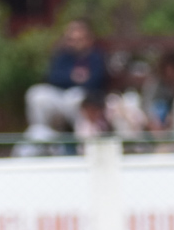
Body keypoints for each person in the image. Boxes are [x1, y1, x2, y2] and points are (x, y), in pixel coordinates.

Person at [21, 19, 108, 148]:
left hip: (80, 98)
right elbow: (52, 77)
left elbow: (95, 81)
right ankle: (42, 138)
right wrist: (74, 77)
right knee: (37, 94)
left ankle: (82, 142)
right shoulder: (61, 55)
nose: (75, 43)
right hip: (59, 96)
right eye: (71, 39)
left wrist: (71, 78)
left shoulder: (95, 56)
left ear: (88, 39)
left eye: (79, 39)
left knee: (76, 97)